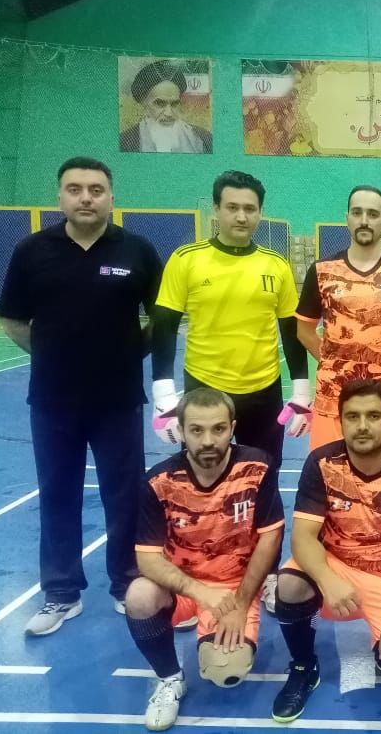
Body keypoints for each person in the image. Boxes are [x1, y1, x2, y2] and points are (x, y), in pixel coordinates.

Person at [0, 156, 162, 636]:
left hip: (118, 400)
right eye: (75, 189)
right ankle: (62, 593)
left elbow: (163, 318)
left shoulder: (137, 251)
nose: (85, 198)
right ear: (60, 196)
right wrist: (52, 355)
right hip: (53, 402)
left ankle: (126, 584)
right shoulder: (32, 251)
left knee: (125, 496)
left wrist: (128, 354)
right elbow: (12, 321)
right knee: (57, 495)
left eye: (95, 189)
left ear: (111, 196)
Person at [150, 170, 308, 611]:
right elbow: (163, 326)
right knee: (200, 488)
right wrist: (164, 398)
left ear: (260, 213)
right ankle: (195, 578)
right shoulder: (186, 260)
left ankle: (267, 577)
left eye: (250, 209)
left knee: (264, 483)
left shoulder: (276, 266)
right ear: (216, 210)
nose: (241, 216)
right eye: (232, 207)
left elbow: (290, 331)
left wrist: (301, 391)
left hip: (262, 392)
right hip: (204, 394)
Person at [270, 379, 381, 724]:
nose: (362, 426)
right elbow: (303, 538)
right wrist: (327, 580)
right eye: (352, 416)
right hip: (338, 569)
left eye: (373, 416)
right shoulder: (321, 463)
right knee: (291, 583)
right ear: (340, 421)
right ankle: (303, 667)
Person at [125, 388, 284, 731]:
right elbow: (147, 560)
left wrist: (240, 603)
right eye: (196, 430)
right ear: (181, 431)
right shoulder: (159, 481)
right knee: (138, 596)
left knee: (225, 669)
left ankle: (216, 633)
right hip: (186, 586)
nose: (208, 441)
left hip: (235, 586)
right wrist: (201, 593)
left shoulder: (257, 467)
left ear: (232, 428)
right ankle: (170, 678)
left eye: (218, 429)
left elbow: (270, 539)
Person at [295, 185, 381, 449]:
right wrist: (335, 364)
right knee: (328, 472)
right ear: (347, 218)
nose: (364, 220)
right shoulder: (322, 270)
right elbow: (304, 330)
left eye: (373, 214)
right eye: (357, 213)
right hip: (332, 401)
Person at [120, 59, 212, 154]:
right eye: (159, 103)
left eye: (174, 104)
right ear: (144, 105)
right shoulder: (125, 142)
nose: (169, 113)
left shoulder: (204, 139)